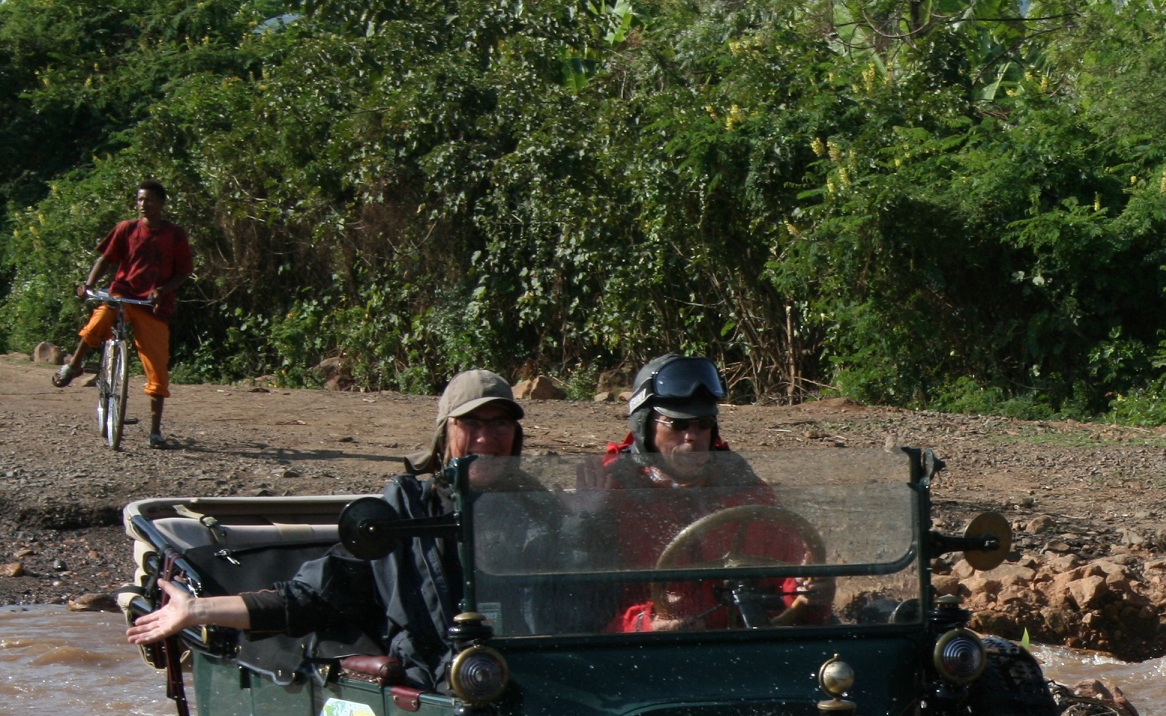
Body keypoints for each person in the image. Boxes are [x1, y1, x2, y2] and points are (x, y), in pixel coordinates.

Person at [127, 371, 524, 687]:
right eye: (470, 423)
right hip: (441, 682)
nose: (487, 438)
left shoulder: (539, 507)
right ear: (444, 435)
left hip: (539, 669)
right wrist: (196, 609)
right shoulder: (403, 513)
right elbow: (311, 597)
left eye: (501, 424)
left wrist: (589, 509)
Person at [588, 354, 824, 630]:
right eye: (678, 425)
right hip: (649, 654)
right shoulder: (611, 492)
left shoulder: (744, 487)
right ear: (644, 424)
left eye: (703, 424)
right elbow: (585, 615)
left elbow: (790, 574)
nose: (692, 436)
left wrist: (810, 593)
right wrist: (646, 626)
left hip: (748, 641)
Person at [52, 181, 196, 449]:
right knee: (99, 320)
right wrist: (89, 285)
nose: (144, 204)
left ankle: (155, 432)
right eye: (140, 200)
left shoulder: (175, 235)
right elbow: (106, 259)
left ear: (162, 203)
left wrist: (162, 290)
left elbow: (183, 271)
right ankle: (74, 366)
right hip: (124, 295)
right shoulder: (126, 228)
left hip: (154, 307)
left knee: (157, 368)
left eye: (150, 200)